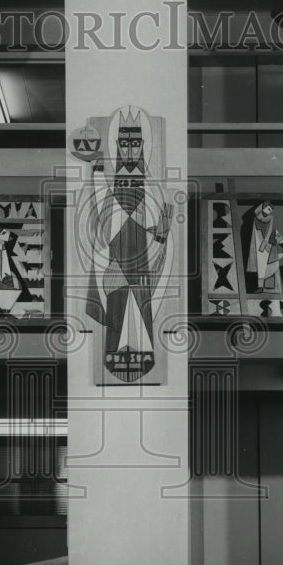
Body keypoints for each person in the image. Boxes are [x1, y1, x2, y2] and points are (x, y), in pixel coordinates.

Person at [81, 106, 172, 383]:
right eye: (124, 143)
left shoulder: (151, 184)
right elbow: (102, 207)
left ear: (143, 145)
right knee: (116, 302)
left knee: (142, 302)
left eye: (135, 143)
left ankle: (144, 350)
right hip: (116, 256)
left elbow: (160, 222)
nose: (130, 149)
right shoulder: (111, 184)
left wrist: (160, 232)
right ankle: (114, 351)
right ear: (117, 145)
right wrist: (98, 171)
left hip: (142, 258)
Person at [246, 201, 283, 293]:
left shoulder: (271, 219)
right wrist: (263, 244)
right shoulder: (256, 220)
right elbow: (257, 233)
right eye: (269, 209)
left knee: (272, 266)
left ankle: (275, 289)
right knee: (261, 266)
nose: (270, 211)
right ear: (262, 208)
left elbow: (274, 231)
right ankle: (261, 287)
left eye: (271, 210)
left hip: (270, 246)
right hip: (259, 245)